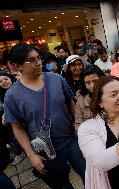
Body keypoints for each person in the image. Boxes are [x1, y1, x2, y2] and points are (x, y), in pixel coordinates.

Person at [4, 43, 86, 189]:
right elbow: (17, 127)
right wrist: (31, 155)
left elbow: (70, 102)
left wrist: (79, 127)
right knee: (62, 185)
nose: (39, 63)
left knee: (90, 175)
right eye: (32, 60)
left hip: (72, 140)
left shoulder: (56, 79)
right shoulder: (12, 95)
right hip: (46, 151)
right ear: (18, 66)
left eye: (39, 58)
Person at [0, 72, 25, 166]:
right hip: (13, 122)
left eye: (5, 79)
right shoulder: (2, 95)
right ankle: (19, 151)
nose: (4, 82)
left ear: (10, 78)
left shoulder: (20, 86)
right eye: (0, 81)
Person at [75, 64, 105, 132]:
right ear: (84, 84)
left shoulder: (110, 94)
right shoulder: (81, 100)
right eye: (88, 83)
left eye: (95, 81)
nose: (92, 85)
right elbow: (78, 126)